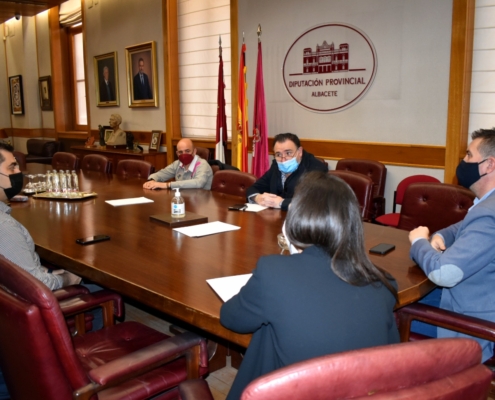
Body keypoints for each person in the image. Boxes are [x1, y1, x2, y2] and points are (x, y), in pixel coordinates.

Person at [222, 171, 399, 399]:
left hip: (295, 392)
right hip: (360, 392)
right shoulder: (383, 283)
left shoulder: (274, 272)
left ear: (294, 220)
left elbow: (231, 318)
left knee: (267, 328)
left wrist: (294, 251)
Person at [409, 127, 495, 363]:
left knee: (387, 313)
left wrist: (419, 241)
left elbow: (444, 273)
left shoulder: (489, 214)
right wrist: (441, 236)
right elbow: (462, 227)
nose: (463, 162)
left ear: (489, 165)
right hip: (477, 300)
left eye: (468, 155)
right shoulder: (487, 206)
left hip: (472, 328)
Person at [246, 133, 327, 210]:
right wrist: (258, 198)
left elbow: (313, 203)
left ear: (300, 151)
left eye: (288, 153)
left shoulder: (316, 169)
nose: (283, 159)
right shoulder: (276, 165)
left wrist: (281, 203)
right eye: (278, 154)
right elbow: (253, 188)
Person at [143, 138, 213, 190]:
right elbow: (162, 173)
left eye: (187, 151)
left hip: (201, 204)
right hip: (183, 199)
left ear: (194, 151)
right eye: (181, 152)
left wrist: (168, 185)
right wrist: (152, 181)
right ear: (177, 153)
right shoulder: (178, 164)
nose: (184, 154)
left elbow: (198, 183)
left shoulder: (203, 165)